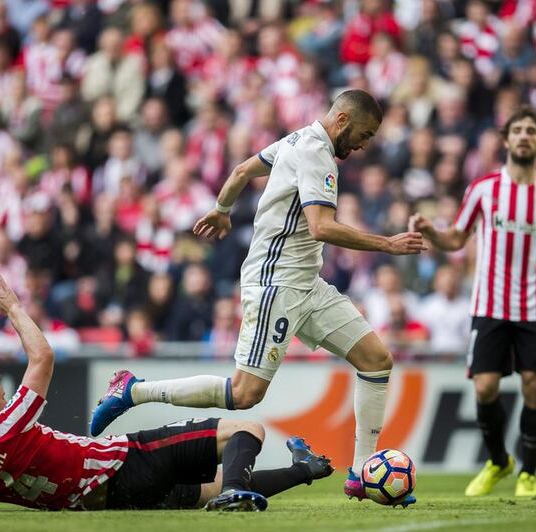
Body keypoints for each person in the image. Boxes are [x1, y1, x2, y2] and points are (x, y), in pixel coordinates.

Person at [91, 89, 425, 505]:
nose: (364, 144)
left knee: (376, 360)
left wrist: (222, 209)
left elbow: (241, 170)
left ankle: (360, 471)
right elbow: (321, 226)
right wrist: (389, 245)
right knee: (245, 393)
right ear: (342, 120)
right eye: (364, 133)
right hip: (276, 284)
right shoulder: (316, 153)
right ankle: (133, 390)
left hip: (307, 283)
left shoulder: (295, 139)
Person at [0, 274, 334, 513]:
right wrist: (12, 308)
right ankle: (234, 491)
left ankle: (305, 470)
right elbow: (43, 356)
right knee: (247, 429)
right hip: (125, 463)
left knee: (211, 489)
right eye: (3, 396)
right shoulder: (6, 428)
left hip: (111, 502)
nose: (11, 402)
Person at [408, 106, 536, 498]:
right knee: (485, 388)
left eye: (530, 131)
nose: (523, 136)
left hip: (534, 307)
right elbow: (456, 239)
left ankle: (528, 474)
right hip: (489, 306)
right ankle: (500, 460)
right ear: (505, 140)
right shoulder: (483, 189)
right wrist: (431, 231)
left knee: (534, 386)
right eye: (516, 130)